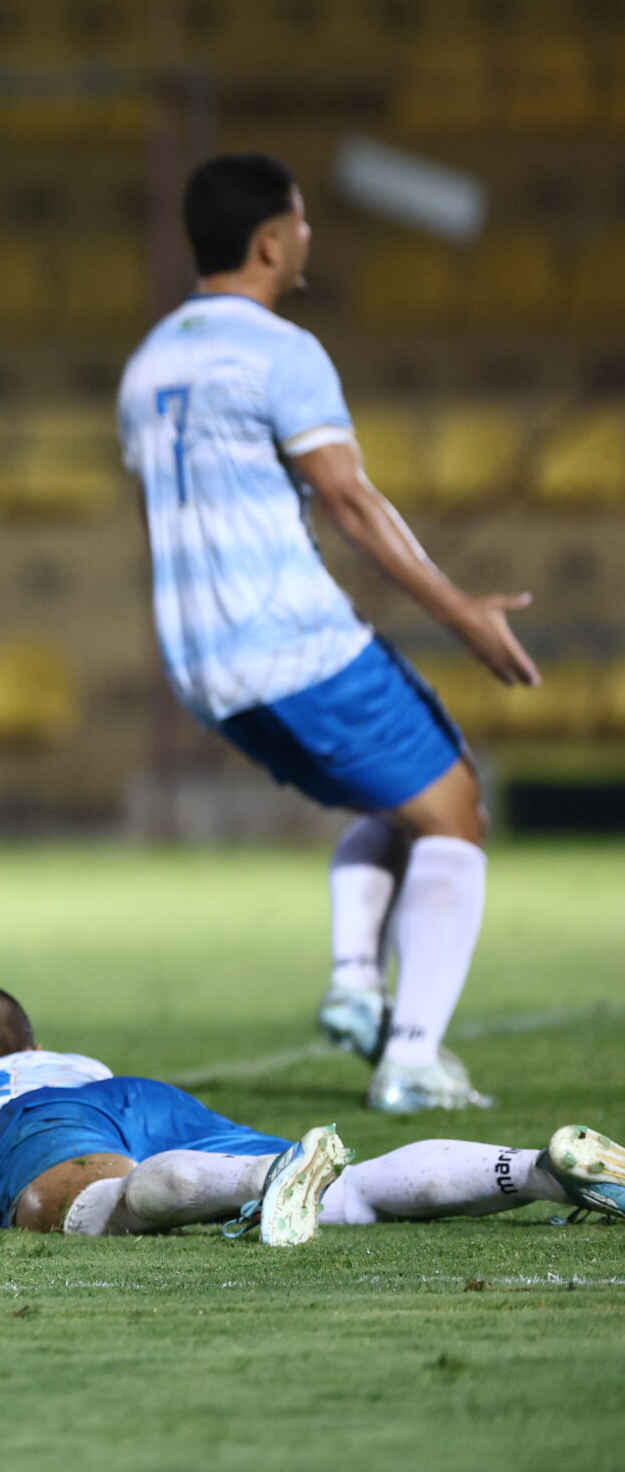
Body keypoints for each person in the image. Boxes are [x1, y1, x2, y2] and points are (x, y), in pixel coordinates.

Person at [119, 153, 539, 1114]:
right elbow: (348, 498)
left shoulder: (148, 366)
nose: (308, 237)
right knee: (456, 811)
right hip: (292, 642)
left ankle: (356, 983)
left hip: (203, 666)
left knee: (400, 802)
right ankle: (412, 1057)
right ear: (272, 241)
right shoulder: (279, 351)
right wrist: (459, 608)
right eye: (302, 222)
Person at [0, 984, 625, 1244]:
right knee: (351, 1192)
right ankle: (541, 1169)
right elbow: (79, 1093)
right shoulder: (70, 1059)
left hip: (23, 1135)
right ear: (28, 1040)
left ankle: (265, 1177)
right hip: (126, 1094)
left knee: (107, 1203)